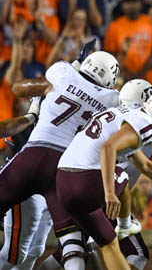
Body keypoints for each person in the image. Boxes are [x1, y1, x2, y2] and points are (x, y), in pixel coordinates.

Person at [56, 89, 152, 270]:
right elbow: (108, 148)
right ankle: (125, 225)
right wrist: (110, 193)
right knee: (123, 173)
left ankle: (119, 228)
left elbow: (146, 166)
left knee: (109, 245)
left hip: (64, 181)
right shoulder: (145, 123)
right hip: (86, 179)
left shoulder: (128, 114)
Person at [0, 51, 120, 270]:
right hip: (64, 171)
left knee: (29, 250)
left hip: (32, 156)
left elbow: (18, 88)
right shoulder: (113, 101)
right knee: (72, 245)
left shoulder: (64, 74)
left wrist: (72, 69)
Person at [0, 98, 47, 270]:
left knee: (36, 249)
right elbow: (9, 159)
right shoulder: (27, 125)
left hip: (51, 189)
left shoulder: (72, 123)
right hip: (27, 189)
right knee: (15, 256)